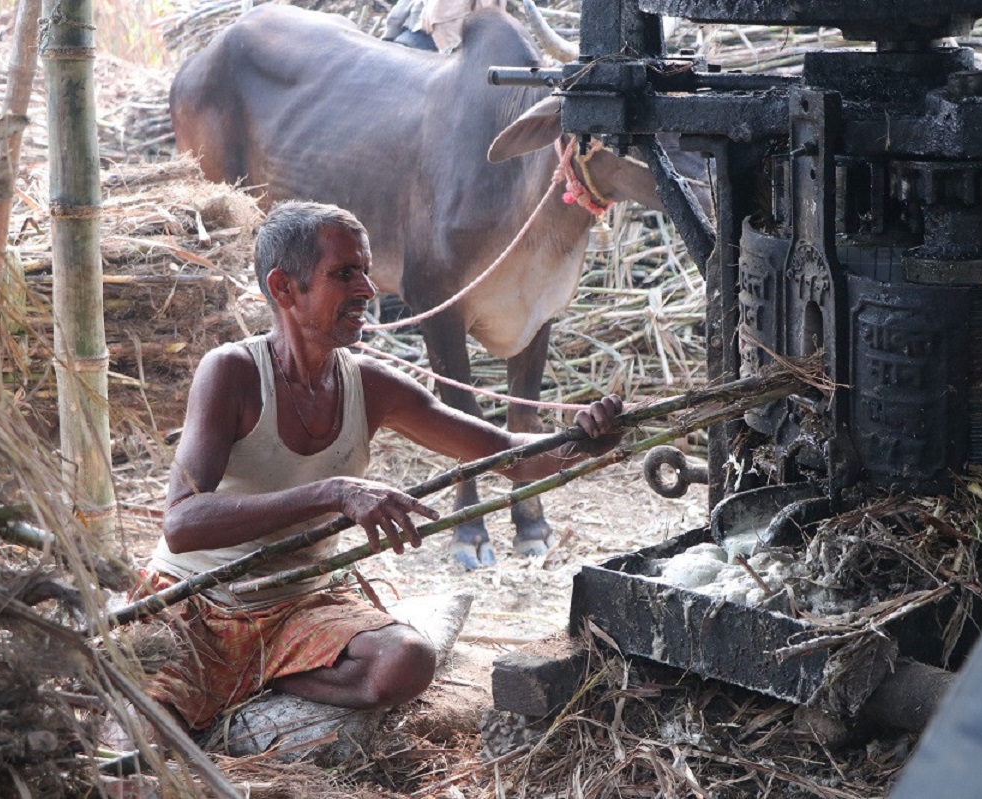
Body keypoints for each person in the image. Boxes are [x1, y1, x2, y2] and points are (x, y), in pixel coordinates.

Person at [142, 200, 625, 734]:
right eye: (344, 274)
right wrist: (334, 493)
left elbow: (505, 453)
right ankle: (246, 673)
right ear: (283, 289)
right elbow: (182, 524)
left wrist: (585, 440)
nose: (368, 292)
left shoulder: (369, 384)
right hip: (198, 602)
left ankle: (260, 672)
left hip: (296, 604)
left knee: (406, 661)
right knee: (132, 740)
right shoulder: (232, 372)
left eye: (366, 273)